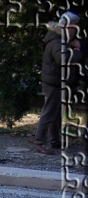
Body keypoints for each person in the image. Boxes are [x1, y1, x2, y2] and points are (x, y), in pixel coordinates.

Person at [34, 11, 83, 154]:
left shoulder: (62, 39)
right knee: (49, 113)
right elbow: (63, 60)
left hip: (58, 82)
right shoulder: (57, 41)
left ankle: (55, 141)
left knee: (56, 114)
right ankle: (39, 142)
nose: (76, 29)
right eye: (74, 26)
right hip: (53, 82)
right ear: (67, 26)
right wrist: (77, 50)